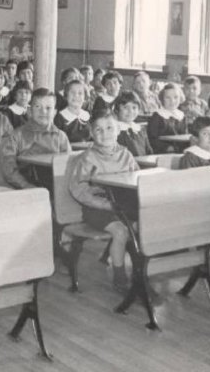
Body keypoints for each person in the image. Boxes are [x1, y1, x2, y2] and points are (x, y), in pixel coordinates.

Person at [67, 109, 139, 293]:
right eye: (98, 130)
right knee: (121, 231)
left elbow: (137, 180)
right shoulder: (87, 158)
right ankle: (119, 275)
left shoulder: (126, 155)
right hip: (97, 209)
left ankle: (140, 273)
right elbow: (79, 190)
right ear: (91, 133)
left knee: (141, 226)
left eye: (109, 128)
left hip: (122, 206)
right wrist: (105, 204)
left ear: (118, 131)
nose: (104, 133)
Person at [0, 88, 71, 189]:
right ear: (29, 111)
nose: (43, 111)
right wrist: (27, 186)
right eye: (37, 106)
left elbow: (68, 166)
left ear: (54, 112)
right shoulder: (16, 136)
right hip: (26, 188)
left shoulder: (61, 137)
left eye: (48, 108)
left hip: (56, 188)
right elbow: (9, 169)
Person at [147, 83, 187, 153]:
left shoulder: (181, 116)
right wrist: (167, 147)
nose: (172, 101)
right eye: (168, 98)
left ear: (180, 98)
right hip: (162, 152)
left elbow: (185, 137)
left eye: (176, 97)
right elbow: (152, 138)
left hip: (179, 152)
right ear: (162, 99)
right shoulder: (158, 116)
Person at [115, 91, 152, 157]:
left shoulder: (140, 129)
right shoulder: (115, 131)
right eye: (125, 107)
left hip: (143, 164)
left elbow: (149, 151)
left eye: (134, 108)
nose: (130, 111)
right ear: (117, 109)